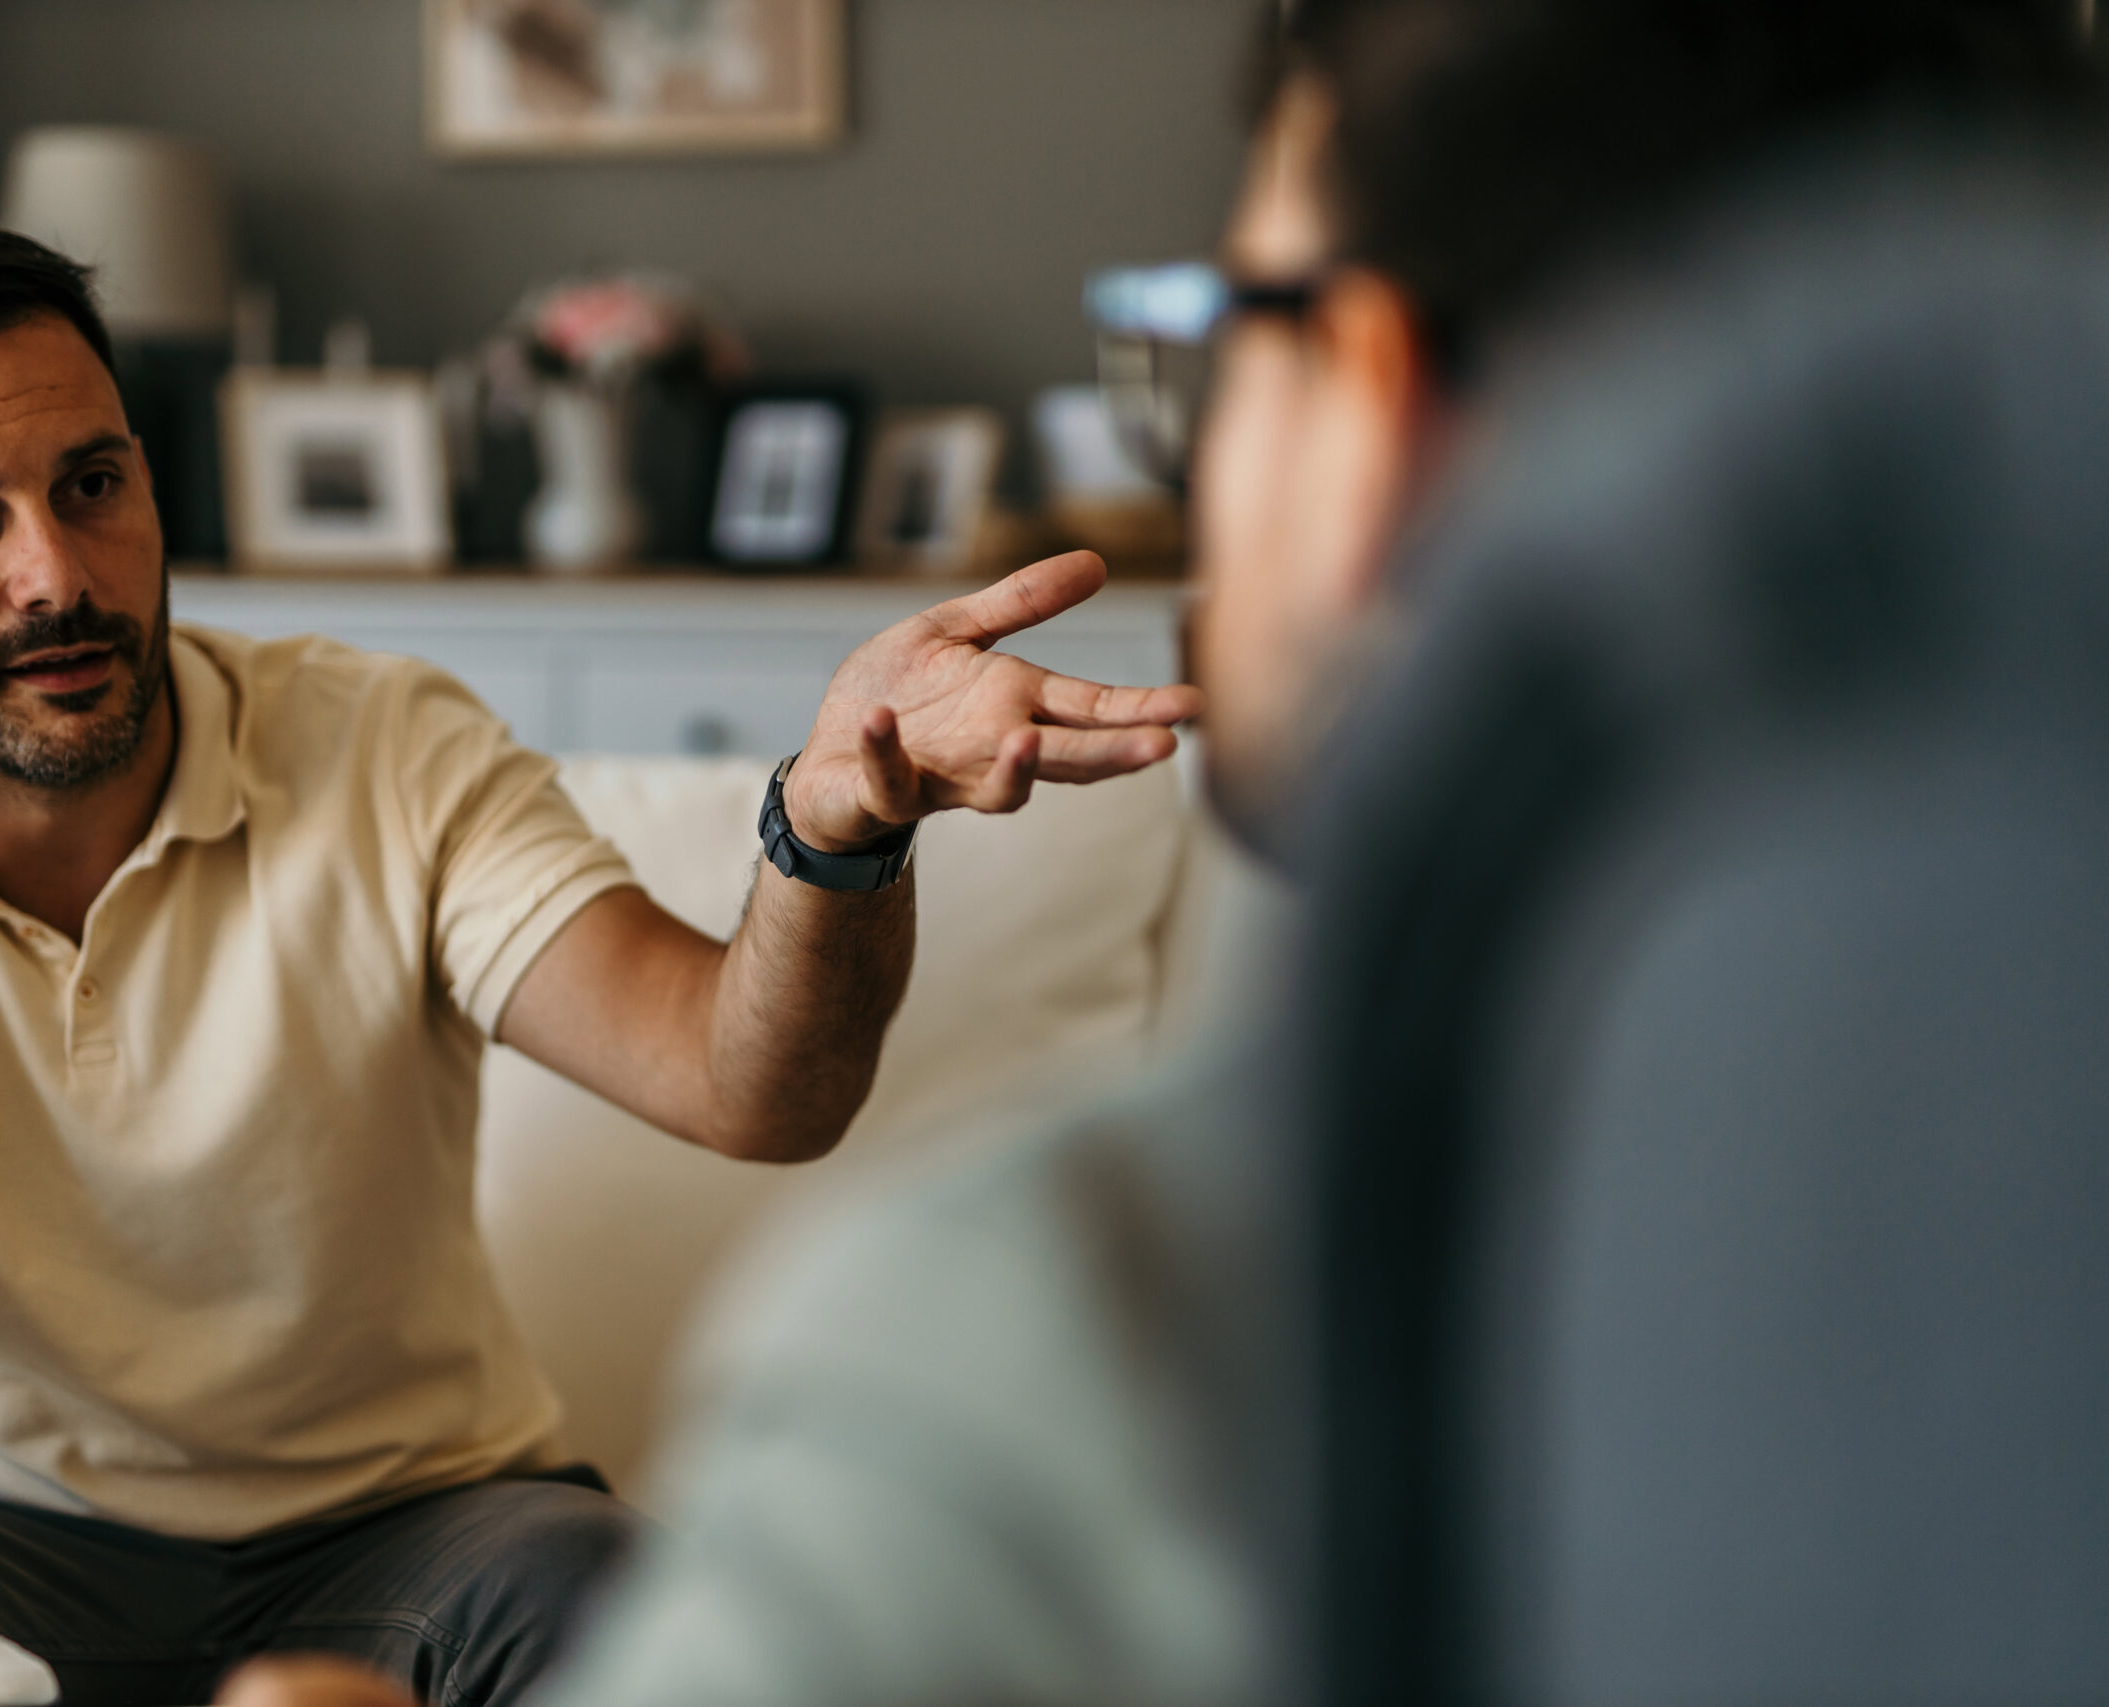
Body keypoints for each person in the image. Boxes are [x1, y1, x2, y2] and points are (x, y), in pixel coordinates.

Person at [205, 0, 2104, 1703]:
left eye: (1232, 336)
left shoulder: (1071, 1344)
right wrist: (832, 809)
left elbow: (732, 1079)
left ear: (1369, 404)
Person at [0, 228, 1201, 1707]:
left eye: (93, 484)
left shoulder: (383, 746)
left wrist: (834, 831)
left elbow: (750, 1085)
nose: (55, 572)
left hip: (415, 1550)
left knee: (612, 1602)